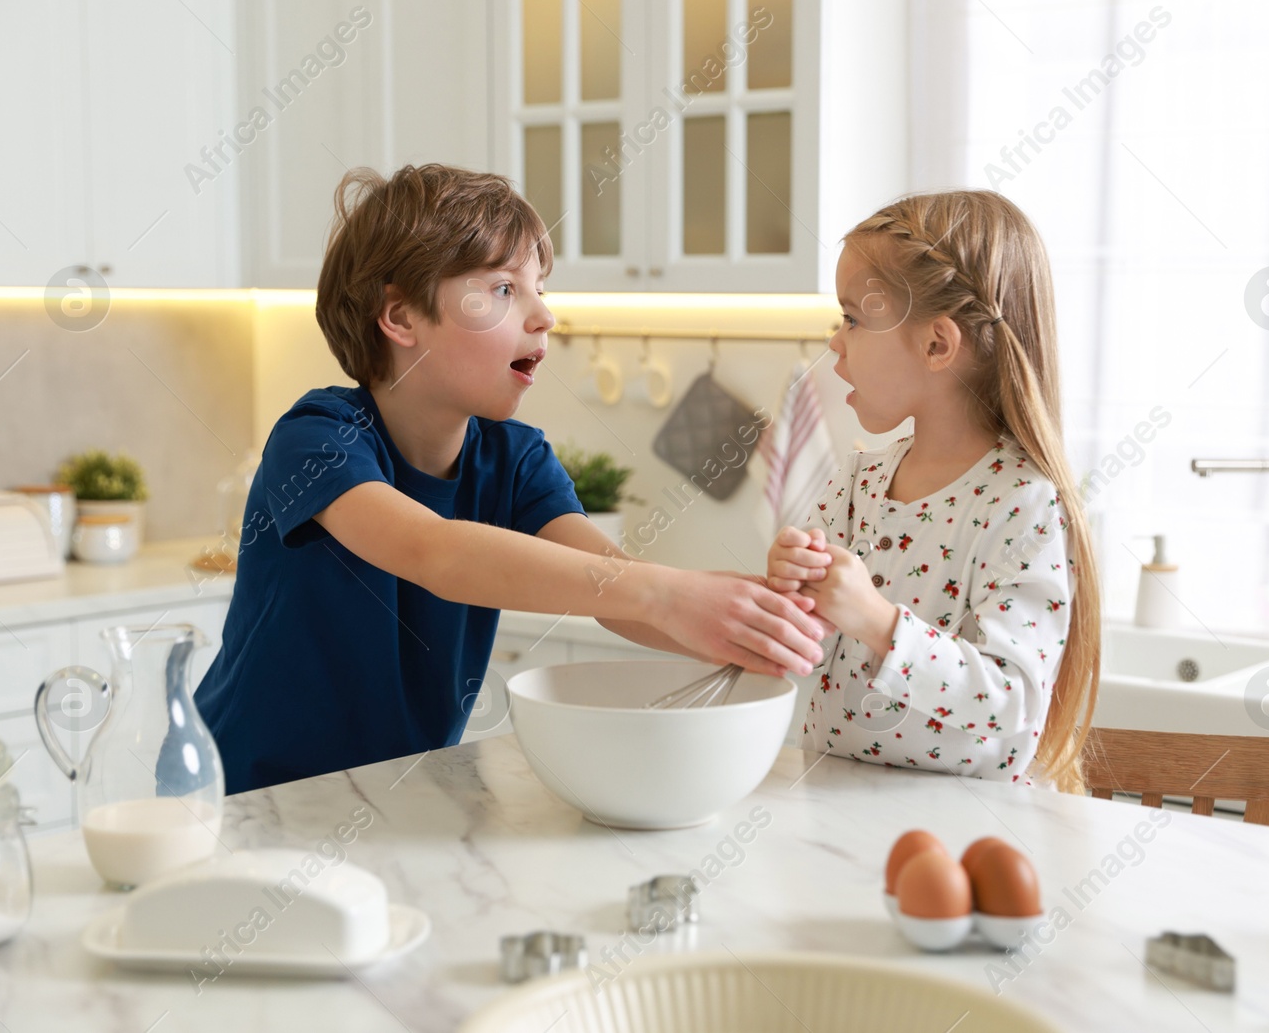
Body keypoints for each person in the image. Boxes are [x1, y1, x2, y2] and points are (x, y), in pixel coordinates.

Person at [196, 163, 823, 794]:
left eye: (539, 287)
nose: (543, 316)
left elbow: (610, 585)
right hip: (250, 796)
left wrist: (749, 618)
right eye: (503, 289)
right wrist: (667, 595)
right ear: (402, 318)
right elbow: (434, 551)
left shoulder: (516, 459)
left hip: (399, 794)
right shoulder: (317, 438)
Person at [765, 191, 1099, 793]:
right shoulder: (857, 483)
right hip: (832, 812)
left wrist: (876, 619)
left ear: (937, 345)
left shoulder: (1020, 503)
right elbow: (802, 650)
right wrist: (793, 593)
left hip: (963, 833)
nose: (835, 343)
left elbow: (1011, 701)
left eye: (853, 320)